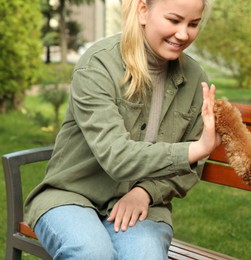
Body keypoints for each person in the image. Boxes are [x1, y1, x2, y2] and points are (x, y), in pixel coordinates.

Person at [24, 0, 219, 259]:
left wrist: (146, 192)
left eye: (193, 24)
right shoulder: (97, 66)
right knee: (91, 252)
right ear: (143, 10)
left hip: (143, 206)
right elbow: (118, 156)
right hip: (71, 195)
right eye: (174, 20)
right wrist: (194, 150)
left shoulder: (196, 79)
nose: (183, 34)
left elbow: (191, 167)